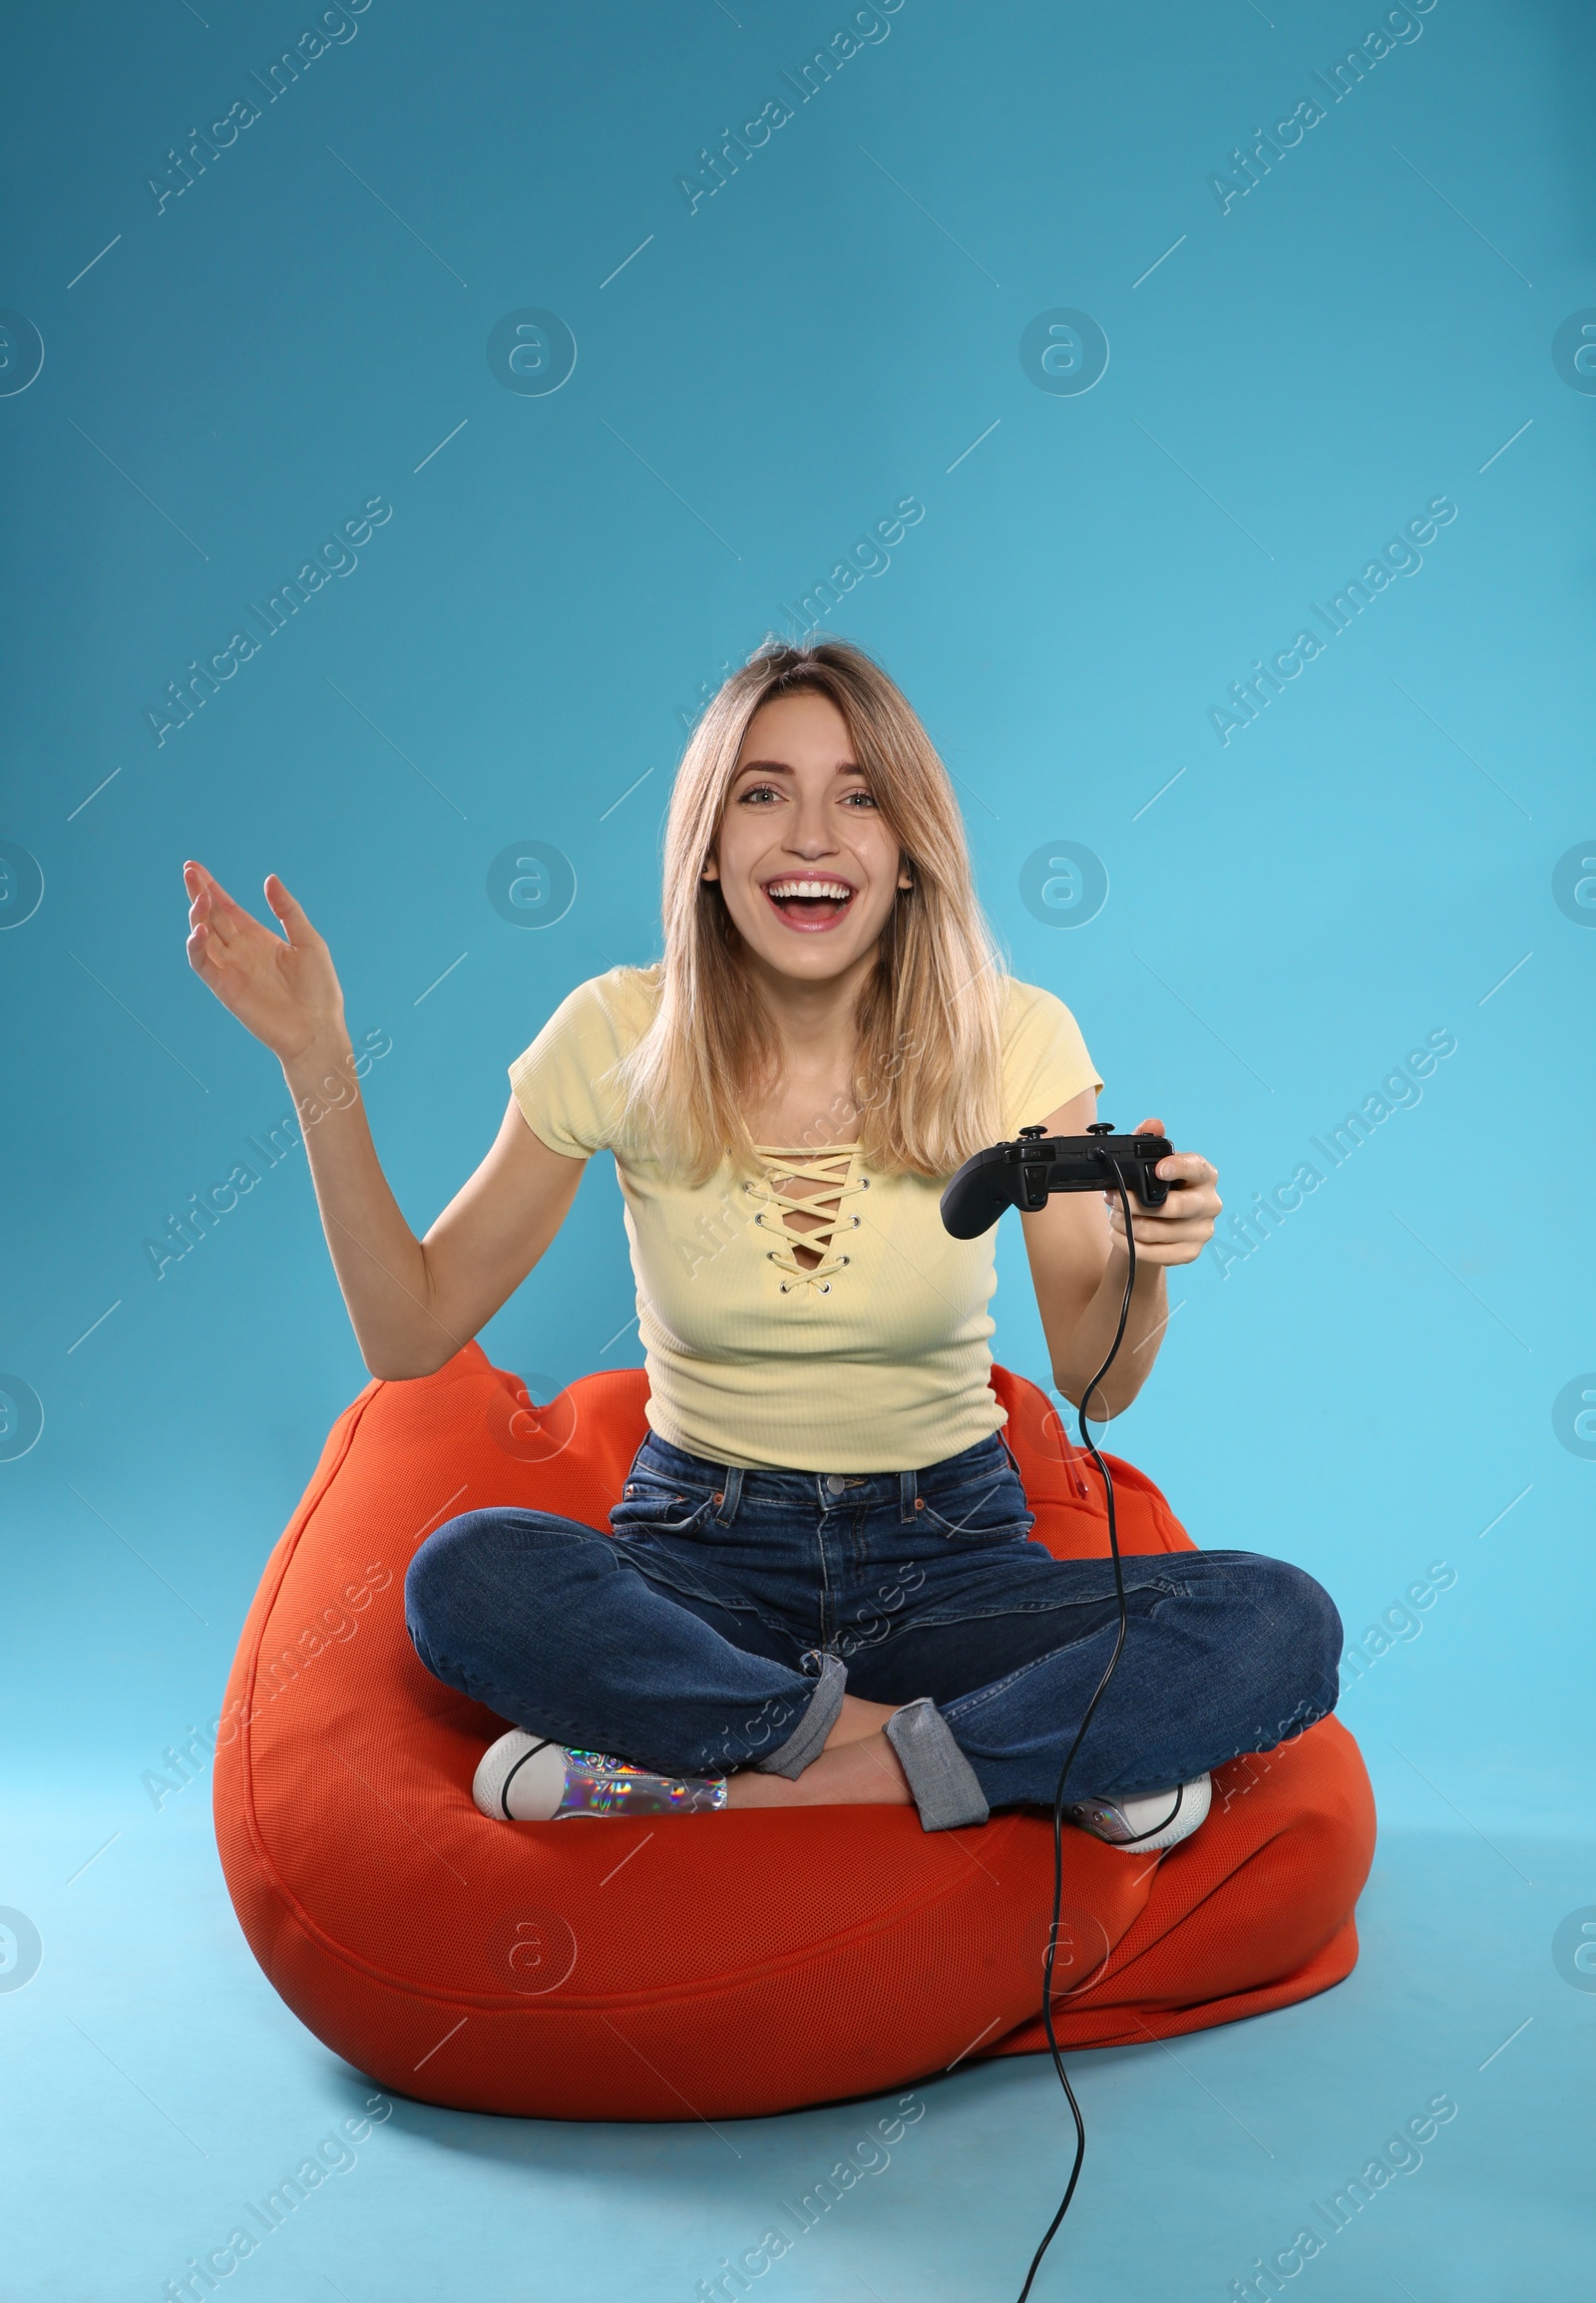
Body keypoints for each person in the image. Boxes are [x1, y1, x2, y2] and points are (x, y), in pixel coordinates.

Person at [184, 638, 1340, 1843]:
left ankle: (751, 1771)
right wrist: (314, 1058)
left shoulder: (1015, 1035)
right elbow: (409, 1330)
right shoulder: (614, 1031)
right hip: (698, 1562)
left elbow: (1096, 1373)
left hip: (950, 1560)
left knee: (1278, 1620)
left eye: (858, 795)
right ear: (708, 848)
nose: (809, 835)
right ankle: (997, 1755)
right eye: (761, 792)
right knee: (465, 1574)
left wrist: (1146, 1264)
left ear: (907, 854)